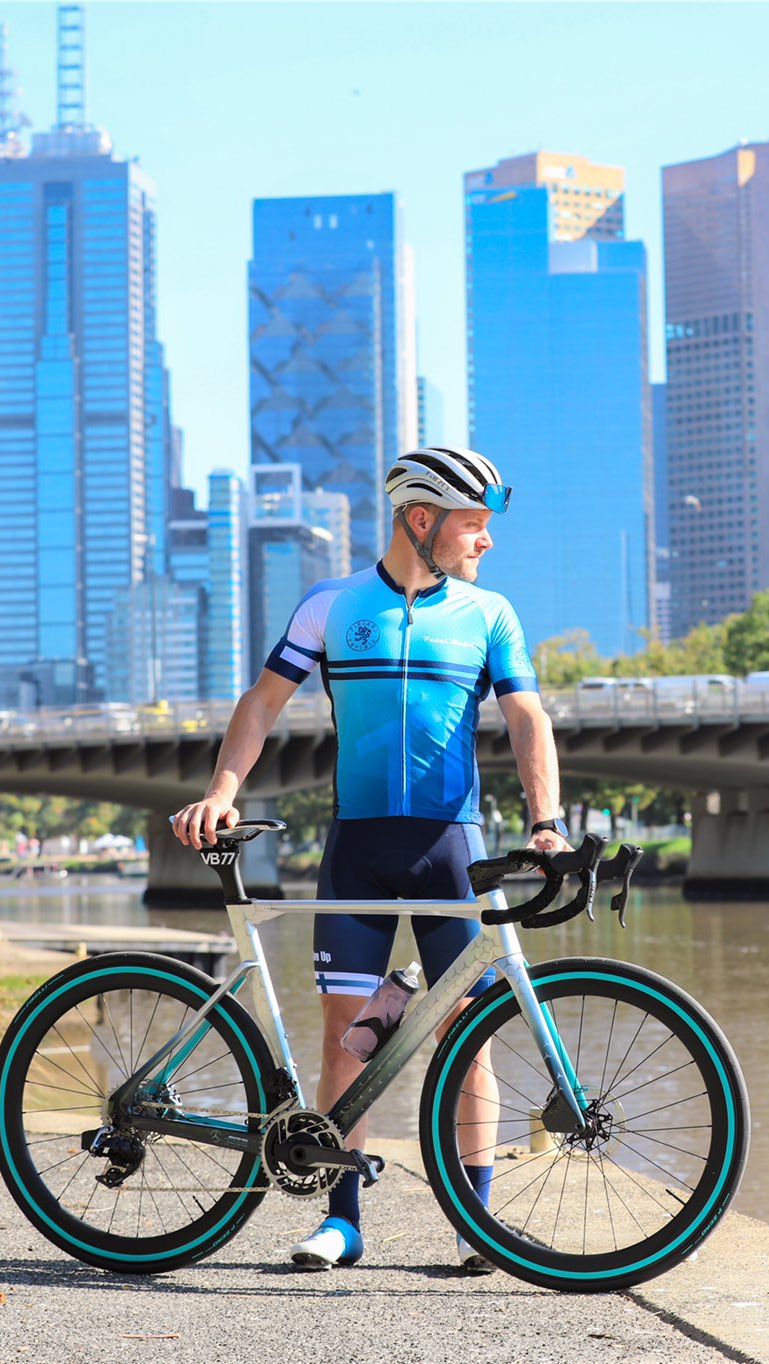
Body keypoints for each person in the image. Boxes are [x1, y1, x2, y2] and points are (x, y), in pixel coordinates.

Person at [169, 445, 570, 1276]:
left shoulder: (489, 614)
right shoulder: (332, 605)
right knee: (342, 1042)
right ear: (420, 520)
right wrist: (221, 791)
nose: (485, 540)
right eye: (474, 524)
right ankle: (342, 1220)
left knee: (473, 1038)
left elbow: (527, 717)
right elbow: (263, 702)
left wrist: (547, 823)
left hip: (447, 848)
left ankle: (476, 1222)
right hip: (358, 850)